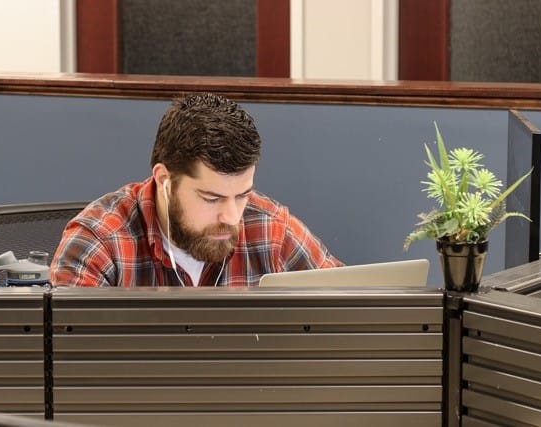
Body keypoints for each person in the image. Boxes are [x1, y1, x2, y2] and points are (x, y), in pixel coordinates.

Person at [50, 93, 342, 287]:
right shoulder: (100, 243)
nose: (231, 217)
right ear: (164, 180)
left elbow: (352, 312)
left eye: (242, 196)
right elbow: (66, 368)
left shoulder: (272, 231)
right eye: (211, 198)